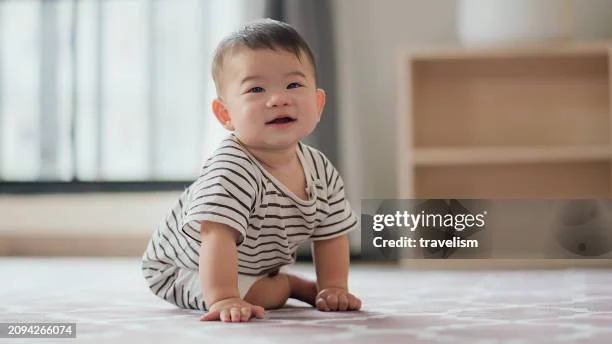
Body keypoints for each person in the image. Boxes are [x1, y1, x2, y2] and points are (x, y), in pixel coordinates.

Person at [141, 18, 361, 323]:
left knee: (258, 287)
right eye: (256, 89)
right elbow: (215, 234)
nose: (278, 99)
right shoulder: (231, 168)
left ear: (318, 103)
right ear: (226, 114)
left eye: (294, 85)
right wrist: (224, 297)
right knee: (260, 296)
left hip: (254, 264)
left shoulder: (320, 170)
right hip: (183, 267)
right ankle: (288, 285)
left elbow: (331, 234)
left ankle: (282, 284)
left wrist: (334, 287)